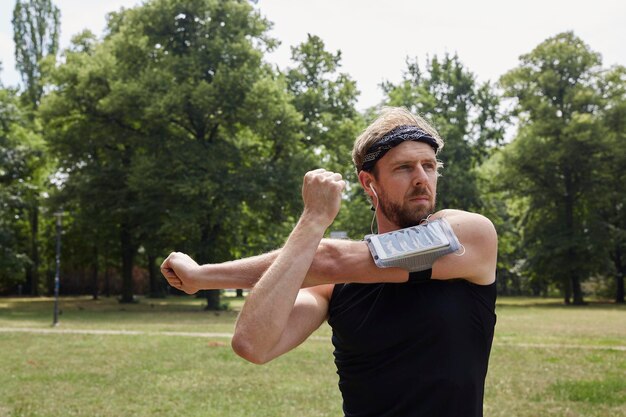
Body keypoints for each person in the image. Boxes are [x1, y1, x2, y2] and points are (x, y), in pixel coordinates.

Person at [161, 107, 497, 417]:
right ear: (370, 183)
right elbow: (252, 344)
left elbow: (328, 258)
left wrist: (202, 276)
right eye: (404, 167)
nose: (422, 178)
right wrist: (311, 221)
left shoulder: (471, 236)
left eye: (429, 165)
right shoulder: (333, 287)